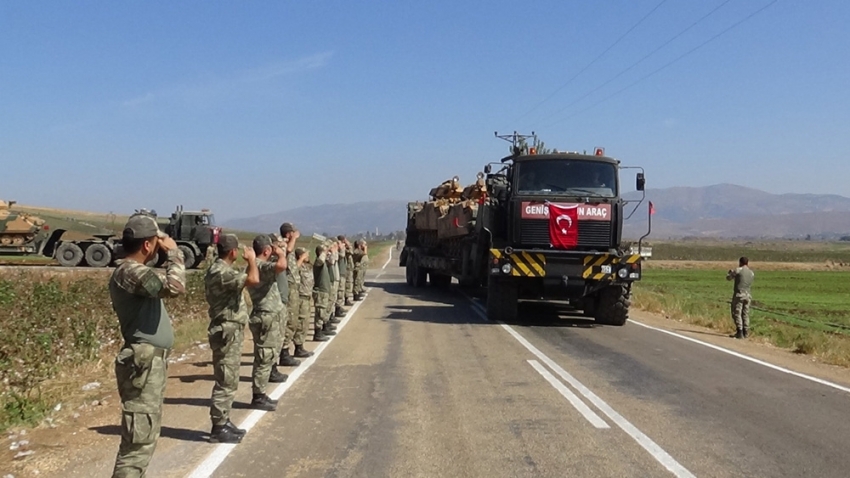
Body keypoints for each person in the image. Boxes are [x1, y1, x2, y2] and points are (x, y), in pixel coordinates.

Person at [109, 214, 186, 478]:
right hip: (143, 364)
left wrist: (161, 250)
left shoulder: (134, 271)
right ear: (146, 246)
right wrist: (175, 253)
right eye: (155, 242)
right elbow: (175, 286)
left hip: (148, 362)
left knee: (145, 437)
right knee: (137, 444)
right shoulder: (129, 271)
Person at [204, 234, 259, 443]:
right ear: (233, 252)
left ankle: (224, 420)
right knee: (226, 379)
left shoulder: (220, 270)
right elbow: (253, 279)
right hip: (226, 330)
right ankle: (218, 427)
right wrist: (252, 261)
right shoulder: (221, 272)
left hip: (229, 329)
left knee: (229, 377)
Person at [247, 235, 288, 411]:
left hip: (262, 314)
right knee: (264, 357)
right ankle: (258, 396)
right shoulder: (261, 266)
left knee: (265, 355)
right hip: (266, 315)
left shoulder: (252, 265)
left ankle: (260, 393)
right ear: (266, 251)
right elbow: (281, 266)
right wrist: (280, 253)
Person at [279, 223, 312, 361]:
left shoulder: (289, 246)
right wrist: (294, 238)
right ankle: (284, 352)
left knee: (296, 319)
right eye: (293, 232)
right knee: (290, 320)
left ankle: (296, 347)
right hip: (289, 287)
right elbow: (288, 249)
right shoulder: (283, 244)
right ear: (288, 234)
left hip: (295, 287)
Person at [295, 247, 321, 343]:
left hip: (307, 297)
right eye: (305, 254)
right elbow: (293, 270)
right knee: (301, 322)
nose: (308, 256)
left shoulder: (308, 266)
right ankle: (298, 345)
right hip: (301, 298)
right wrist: (301, 259)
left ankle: (300, 343)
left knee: (305, 322)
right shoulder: (298, 266)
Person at [312, 244, 338, 341]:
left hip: (325, 290)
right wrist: (324, 252)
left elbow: (332, 261)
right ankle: (318, 333)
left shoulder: (324, 262)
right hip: (321, 291)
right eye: (325, 251)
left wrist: (332, 252)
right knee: (320, 312)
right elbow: (321, 260)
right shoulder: (318, 262)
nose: (327, 252)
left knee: (325, 311)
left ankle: (324, 327)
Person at [726, 256, 755, 339]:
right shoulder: (751, 273)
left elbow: (728, 278)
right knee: (745, 314)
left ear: (740, 262)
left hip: (739, 295)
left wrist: (730, 273)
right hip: (748, 295)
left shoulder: (738, 270)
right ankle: (746, 332)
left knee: (736, 312)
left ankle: (739, 331)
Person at [334, 236, 349, 318]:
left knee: (341, 291)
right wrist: (340, 247)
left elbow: (350, 249)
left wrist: (345, 244)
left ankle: (339, 307)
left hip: (342, 272)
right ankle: (337, 309)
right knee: (339, 291)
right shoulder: (338, 252)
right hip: (339, 273)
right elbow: (342, 255)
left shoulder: (339, 251)